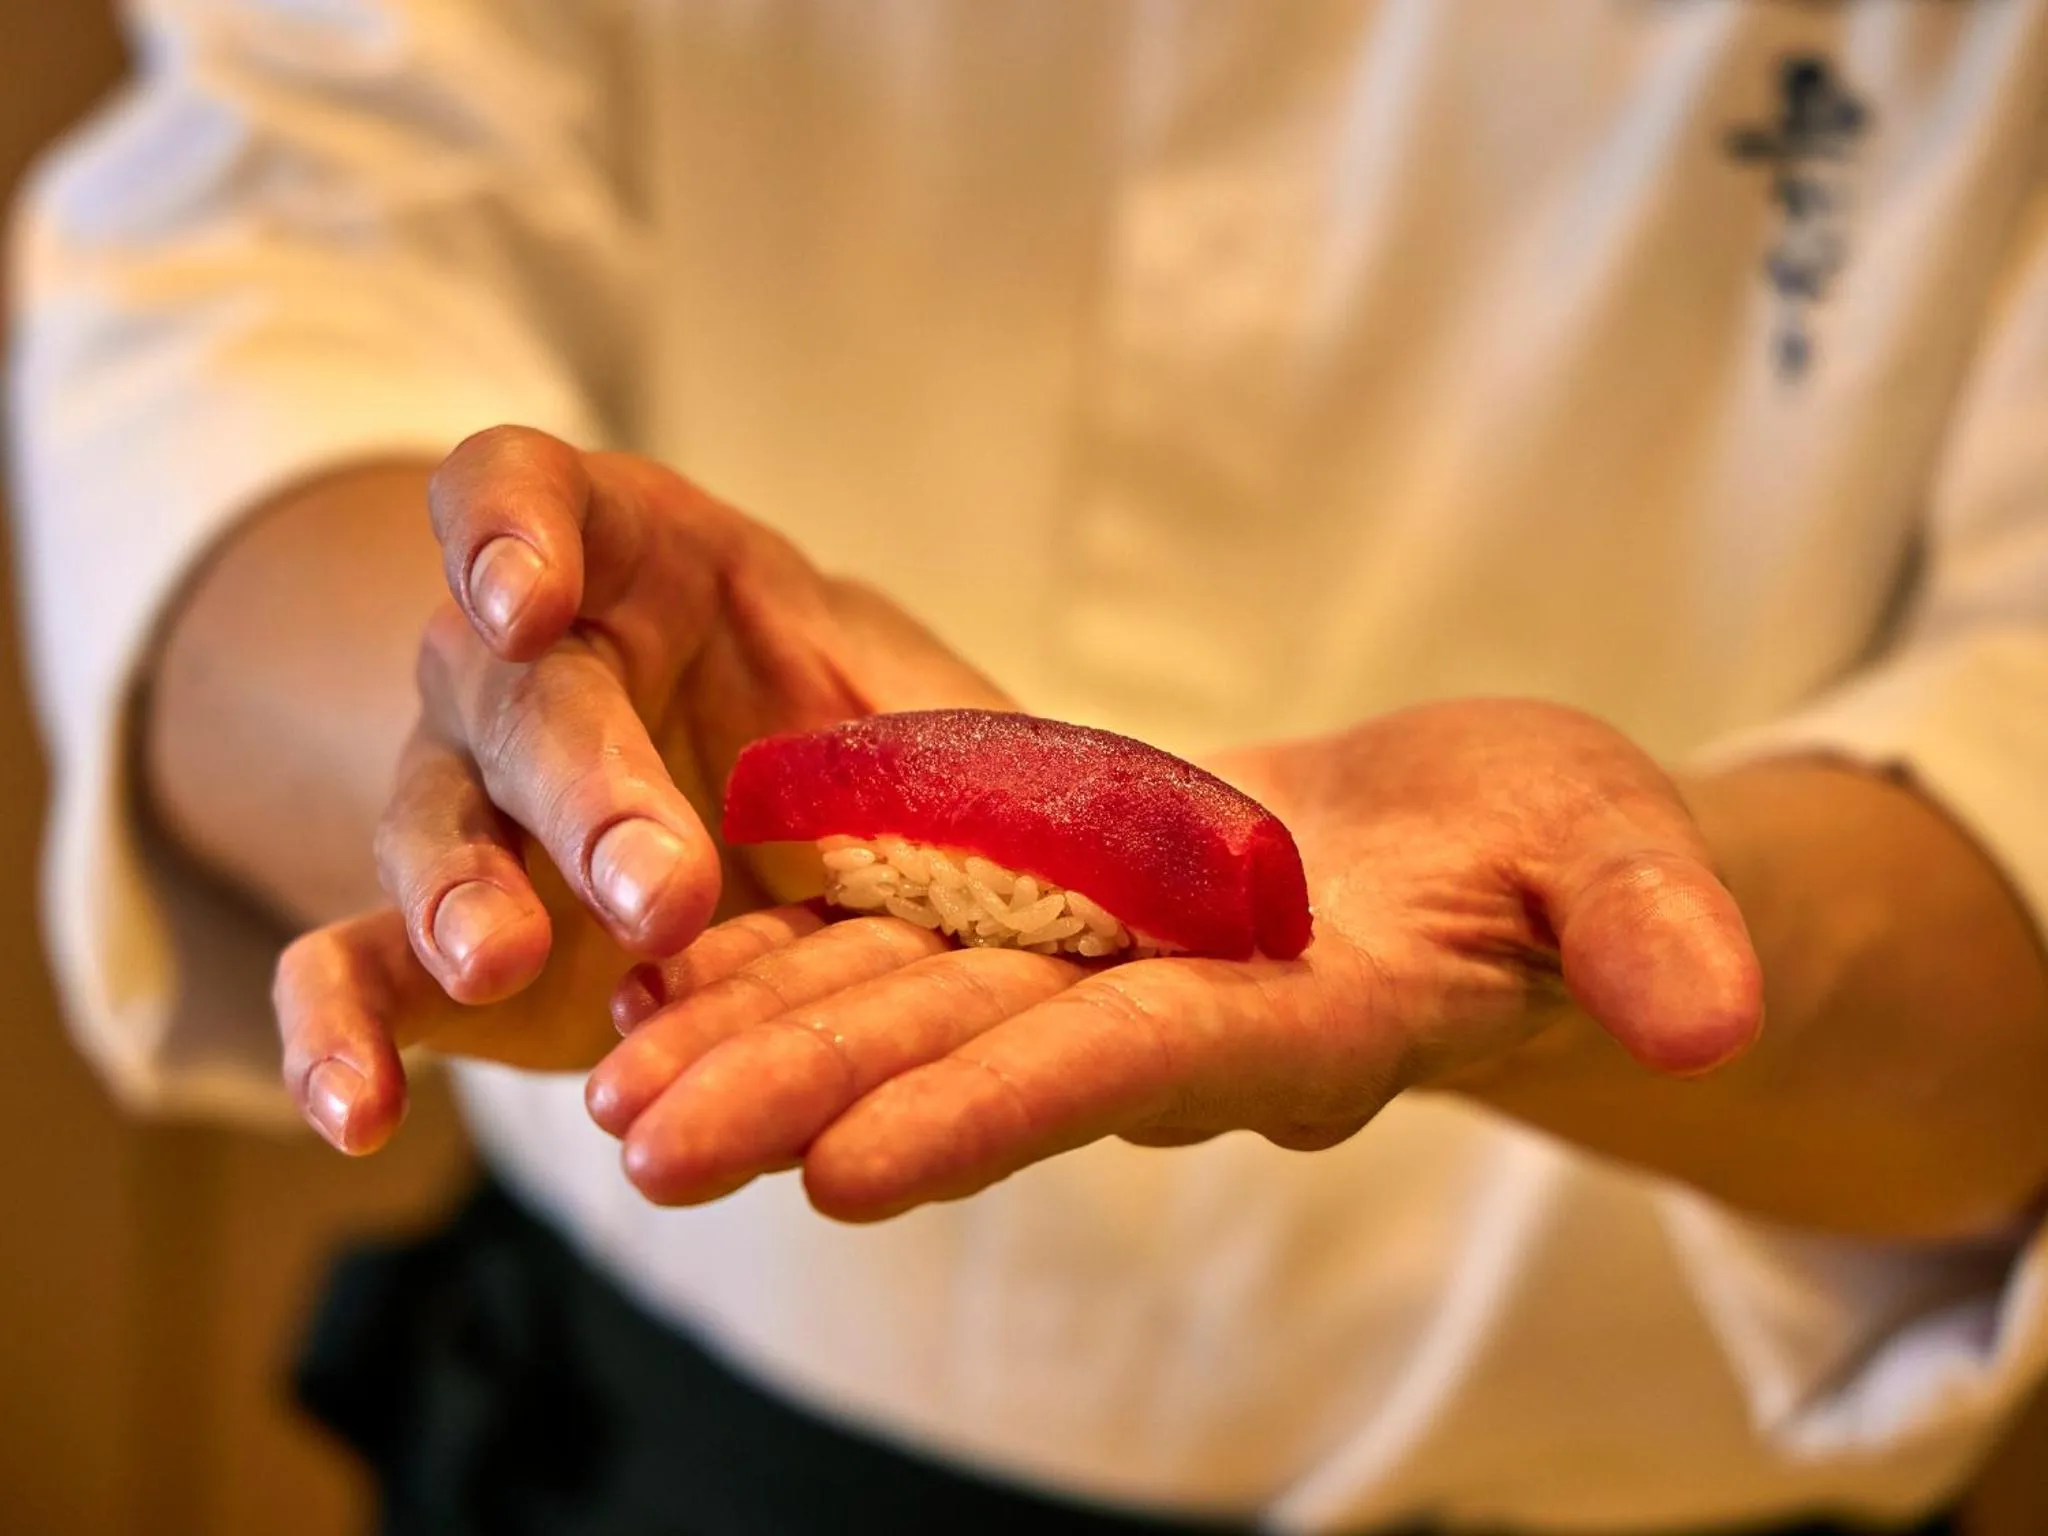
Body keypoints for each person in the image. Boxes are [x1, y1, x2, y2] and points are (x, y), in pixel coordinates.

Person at [10, 3, 2048, 1533]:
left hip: (1677, 1473)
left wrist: (1602, 930)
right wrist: (508, 747)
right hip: (676, 1426)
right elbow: (276, 259)